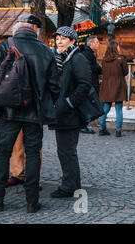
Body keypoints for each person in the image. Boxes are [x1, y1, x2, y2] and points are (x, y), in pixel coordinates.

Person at [0, 14, 60, 213]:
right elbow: (54, 86)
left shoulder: (5, 45)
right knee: (33, 153)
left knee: (3, 153)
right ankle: (32, 201)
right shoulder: (45, 51)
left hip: (9, 110)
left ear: (17, 30)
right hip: (35, 111)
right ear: (34, 31)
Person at [50, 26, 91, 199]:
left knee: (66, 150)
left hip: (70, 113)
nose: (59, 41)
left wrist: (68, 103)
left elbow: (84, 85)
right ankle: (74, 184)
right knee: (66, 150)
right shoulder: (61, 58)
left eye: (63, 38)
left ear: (73, 41)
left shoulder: (77, 58)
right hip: (62, 112)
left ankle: (68, 187)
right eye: (57, 38)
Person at [98, 40, 128, 137]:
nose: (119, 48)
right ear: (116, 48)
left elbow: (103, 72)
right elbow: (125, 72)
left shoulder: (104, 60)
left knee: (105, 108)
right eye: (118, 46)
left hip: (107, 86)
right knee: (118, 109)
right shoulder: (121, 59)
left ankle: (102, 128)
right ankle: (118, 131)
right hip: (118, 85)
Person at [79, 35, 102, 134]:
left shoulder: (88, 53)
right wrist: (99, 68)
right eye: (96, 42)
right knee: (87, 104)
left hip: (89, 82)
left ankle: (84, 124)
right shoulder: (88, 54)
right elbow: (90, 67)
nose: (98, 44)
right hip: (89, 83)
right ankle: (83, 125)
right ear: (91, 43)